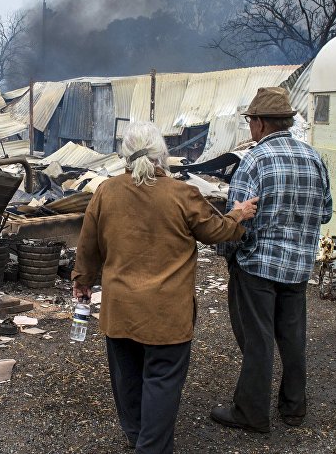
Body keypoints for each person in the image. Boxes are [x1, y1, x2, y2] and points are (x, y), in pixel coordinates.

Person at [71, 121, 258, 454]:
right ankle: (152, 447)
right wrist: (238, 216)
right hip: (167, 315)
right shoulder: (182, 194)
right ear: (162, 156)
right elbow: (216, 231)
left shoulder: (106, 192)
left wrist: (82, 283)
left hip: (120, 310)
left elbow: (87, 247)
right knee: (161, 380)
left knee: (127, 377)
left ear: (125, 157)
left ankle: (136, 435)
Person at [210, 87, 332, 433]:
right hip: (297, 267)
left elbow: (237, 220)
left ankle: (250, 412)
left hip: (257, 267)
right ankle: (294, 407)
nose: (251, 128)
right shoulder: (314, 158)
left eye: (251, 122)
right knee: (293, 338)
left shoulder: (254, 161)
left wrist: (229, 256)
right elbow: (324, 212)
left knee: (257, 339)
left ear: (261, 123)